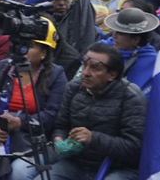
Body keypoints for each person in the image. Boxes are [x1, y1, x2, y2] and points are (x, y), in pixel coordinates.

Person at [0, 22, 68, 180]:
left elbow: (53, 115)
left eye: (29, 45)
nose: (22, 49)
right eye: (20, 44)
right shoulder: (3, 67)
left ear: (44, 52)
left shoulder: (56, 75)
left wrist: (20, 122)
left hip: (35, 142)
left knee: (19, 173)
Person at [50, 43, 147, 180]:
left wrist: (93, 138)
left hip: (116, 167)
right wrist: (59, 139)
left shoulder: (131, 97)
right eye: (84, 65)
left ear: (112, 75)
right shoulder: (73, 88)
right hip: (76, 163)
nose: (86, 73)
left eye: (95, 68)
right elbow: (61, 125)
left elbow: (135, 147)